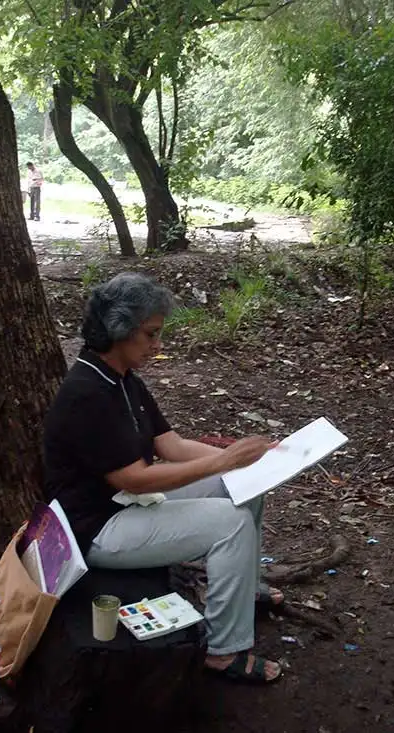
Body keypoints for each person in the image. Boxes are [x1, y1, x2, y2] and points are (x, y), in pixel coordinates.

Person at [43, 272, 284, 683]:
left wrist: (249, 462)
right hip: (98, 528)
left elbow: (171, 446)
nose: (158, 346)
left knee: (245, 491)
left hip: (129, 505)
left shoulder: (123, 380)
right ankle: (223, 654)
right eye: (151, 335)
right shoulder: (86, 392)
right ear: (119, 330)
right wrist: (223, 462)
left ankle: (240, 589)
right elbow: (134, 479)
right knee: (232, 523)